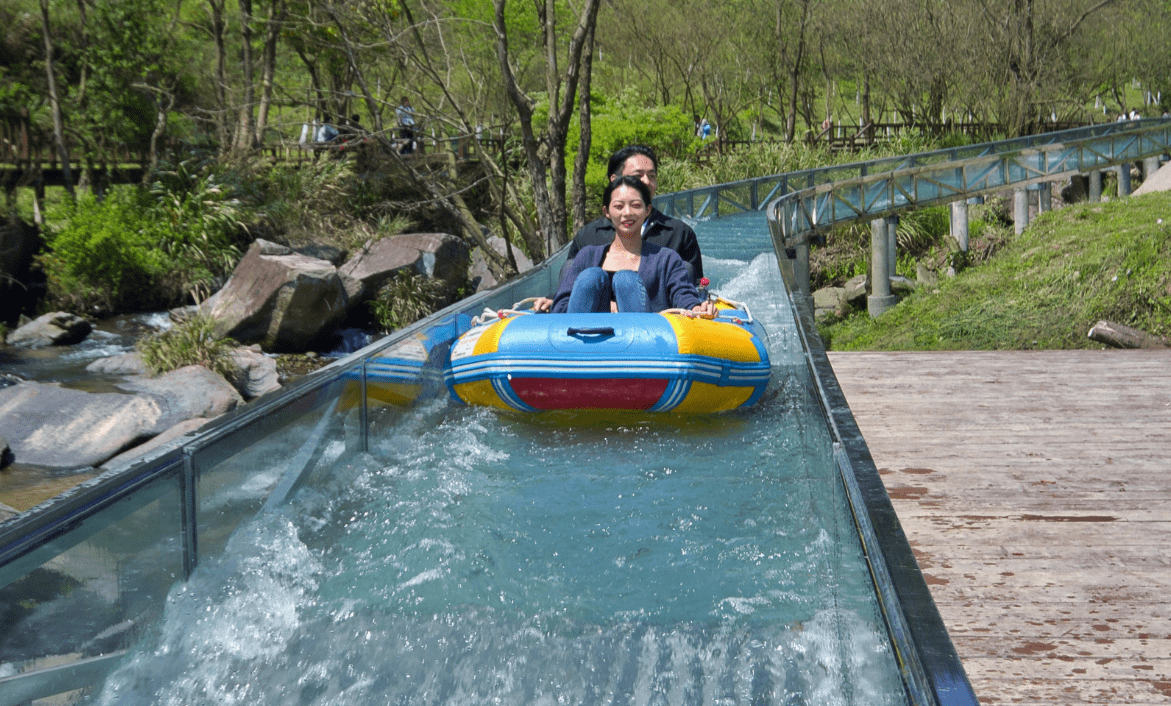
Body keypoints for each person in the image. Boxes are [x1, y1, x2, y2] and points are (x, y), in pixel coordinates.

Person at [550, 176, 714, 316]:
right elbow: (562, 306)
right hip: (583, 340)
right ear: (607, 212)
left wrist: (697, 307)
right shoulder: (587, 256)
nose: (627, 213)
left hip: (643, 342)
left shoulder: (667, 259)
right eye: (618, 206)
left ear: (647, 210)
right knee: (590, 277)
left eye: (635, 205)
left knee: (626, 280)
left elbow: (683, 296)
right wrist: (608, 306)